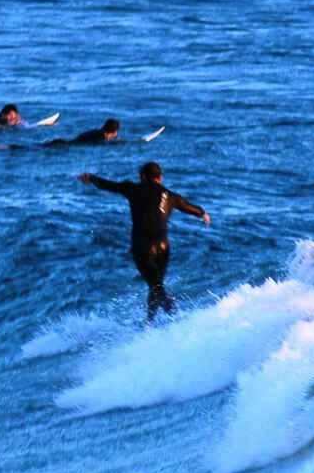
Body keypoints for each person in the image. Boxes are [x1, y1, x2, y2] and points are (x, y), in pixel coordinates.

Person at [79, 161, 210, 322]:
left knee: (156, 287)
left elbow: (109, 185)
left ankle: (178, 321)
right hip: (164, 249)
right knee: (156, 286)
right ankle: (150, 323)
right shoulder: (171, 196)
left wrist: (91, 178)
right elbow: (188, 207)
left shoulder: (132, 189)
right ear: (160, 178)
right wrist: (203, 213)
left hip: (143, 249)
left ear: (142, 177)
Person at [47, 118, 119, 146]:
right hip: (69, 145)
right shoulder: (101, 138)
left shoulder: (95, 131)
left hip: (67, 142)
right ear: (115, 132)